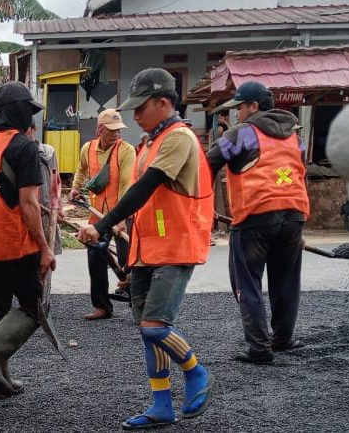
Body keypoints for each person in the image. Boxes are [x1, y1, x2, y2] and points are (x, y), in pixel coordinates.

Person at [78, 68, 215, 429]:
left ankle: (197, 372)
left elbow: (144, 189)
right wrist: (123, 236)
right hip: (147, 249)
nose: (135, 115)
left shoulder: (178, 137)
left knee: (155, 327)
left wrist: (101, 225)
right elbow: (143, 202)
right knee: (147, 331)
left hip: (175, 247)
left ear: (164, 102)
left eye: (141, 107)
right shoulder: (150, 142)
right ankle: (161, 405)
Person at [206, 81, 310, 364]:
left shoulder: (242, 134)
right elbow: (300, 175)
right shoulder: (294, 137)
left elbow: (208, 164)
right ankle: (283, 339)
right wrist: (299, 224)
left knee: (247, 282)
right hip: (293, 214)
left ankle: (259, 347)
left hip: (255, 216)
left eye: (239, 107)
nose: (237, 113)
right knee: (286, 280)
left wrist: (202, 205)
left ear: (253, 106)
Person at [0, 81, 56, 399]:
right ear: (19, 112)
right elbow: (29, 203)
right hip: (18, 245)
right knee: (33, 308)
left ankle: (0, 381)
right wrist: (45, 247)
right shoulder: (24, 147)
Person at [69, 108, 135, 320]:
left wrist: (122, 218)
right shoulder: (88, 148)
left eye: (118, 129)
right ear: (100, 129)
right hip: (97, 216)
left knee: (128, 260)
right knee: (95, 259)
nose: (116, 133)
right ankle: (102, 306)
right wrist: (76, 187)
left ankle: (138, 304)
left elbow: (126, 185)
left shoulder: (126, 151)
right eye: (111, 130)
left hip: (121, 215)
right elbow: (81, 168)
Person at [26, 121, 63, 255]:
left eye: (26, 130)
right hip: (27, 213)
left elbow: (55, 182)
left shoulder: (48, 152)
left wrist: (58, 207)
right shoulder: (17, 153)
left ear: (34, 129)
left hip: (45, 213)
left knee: (47, 255)